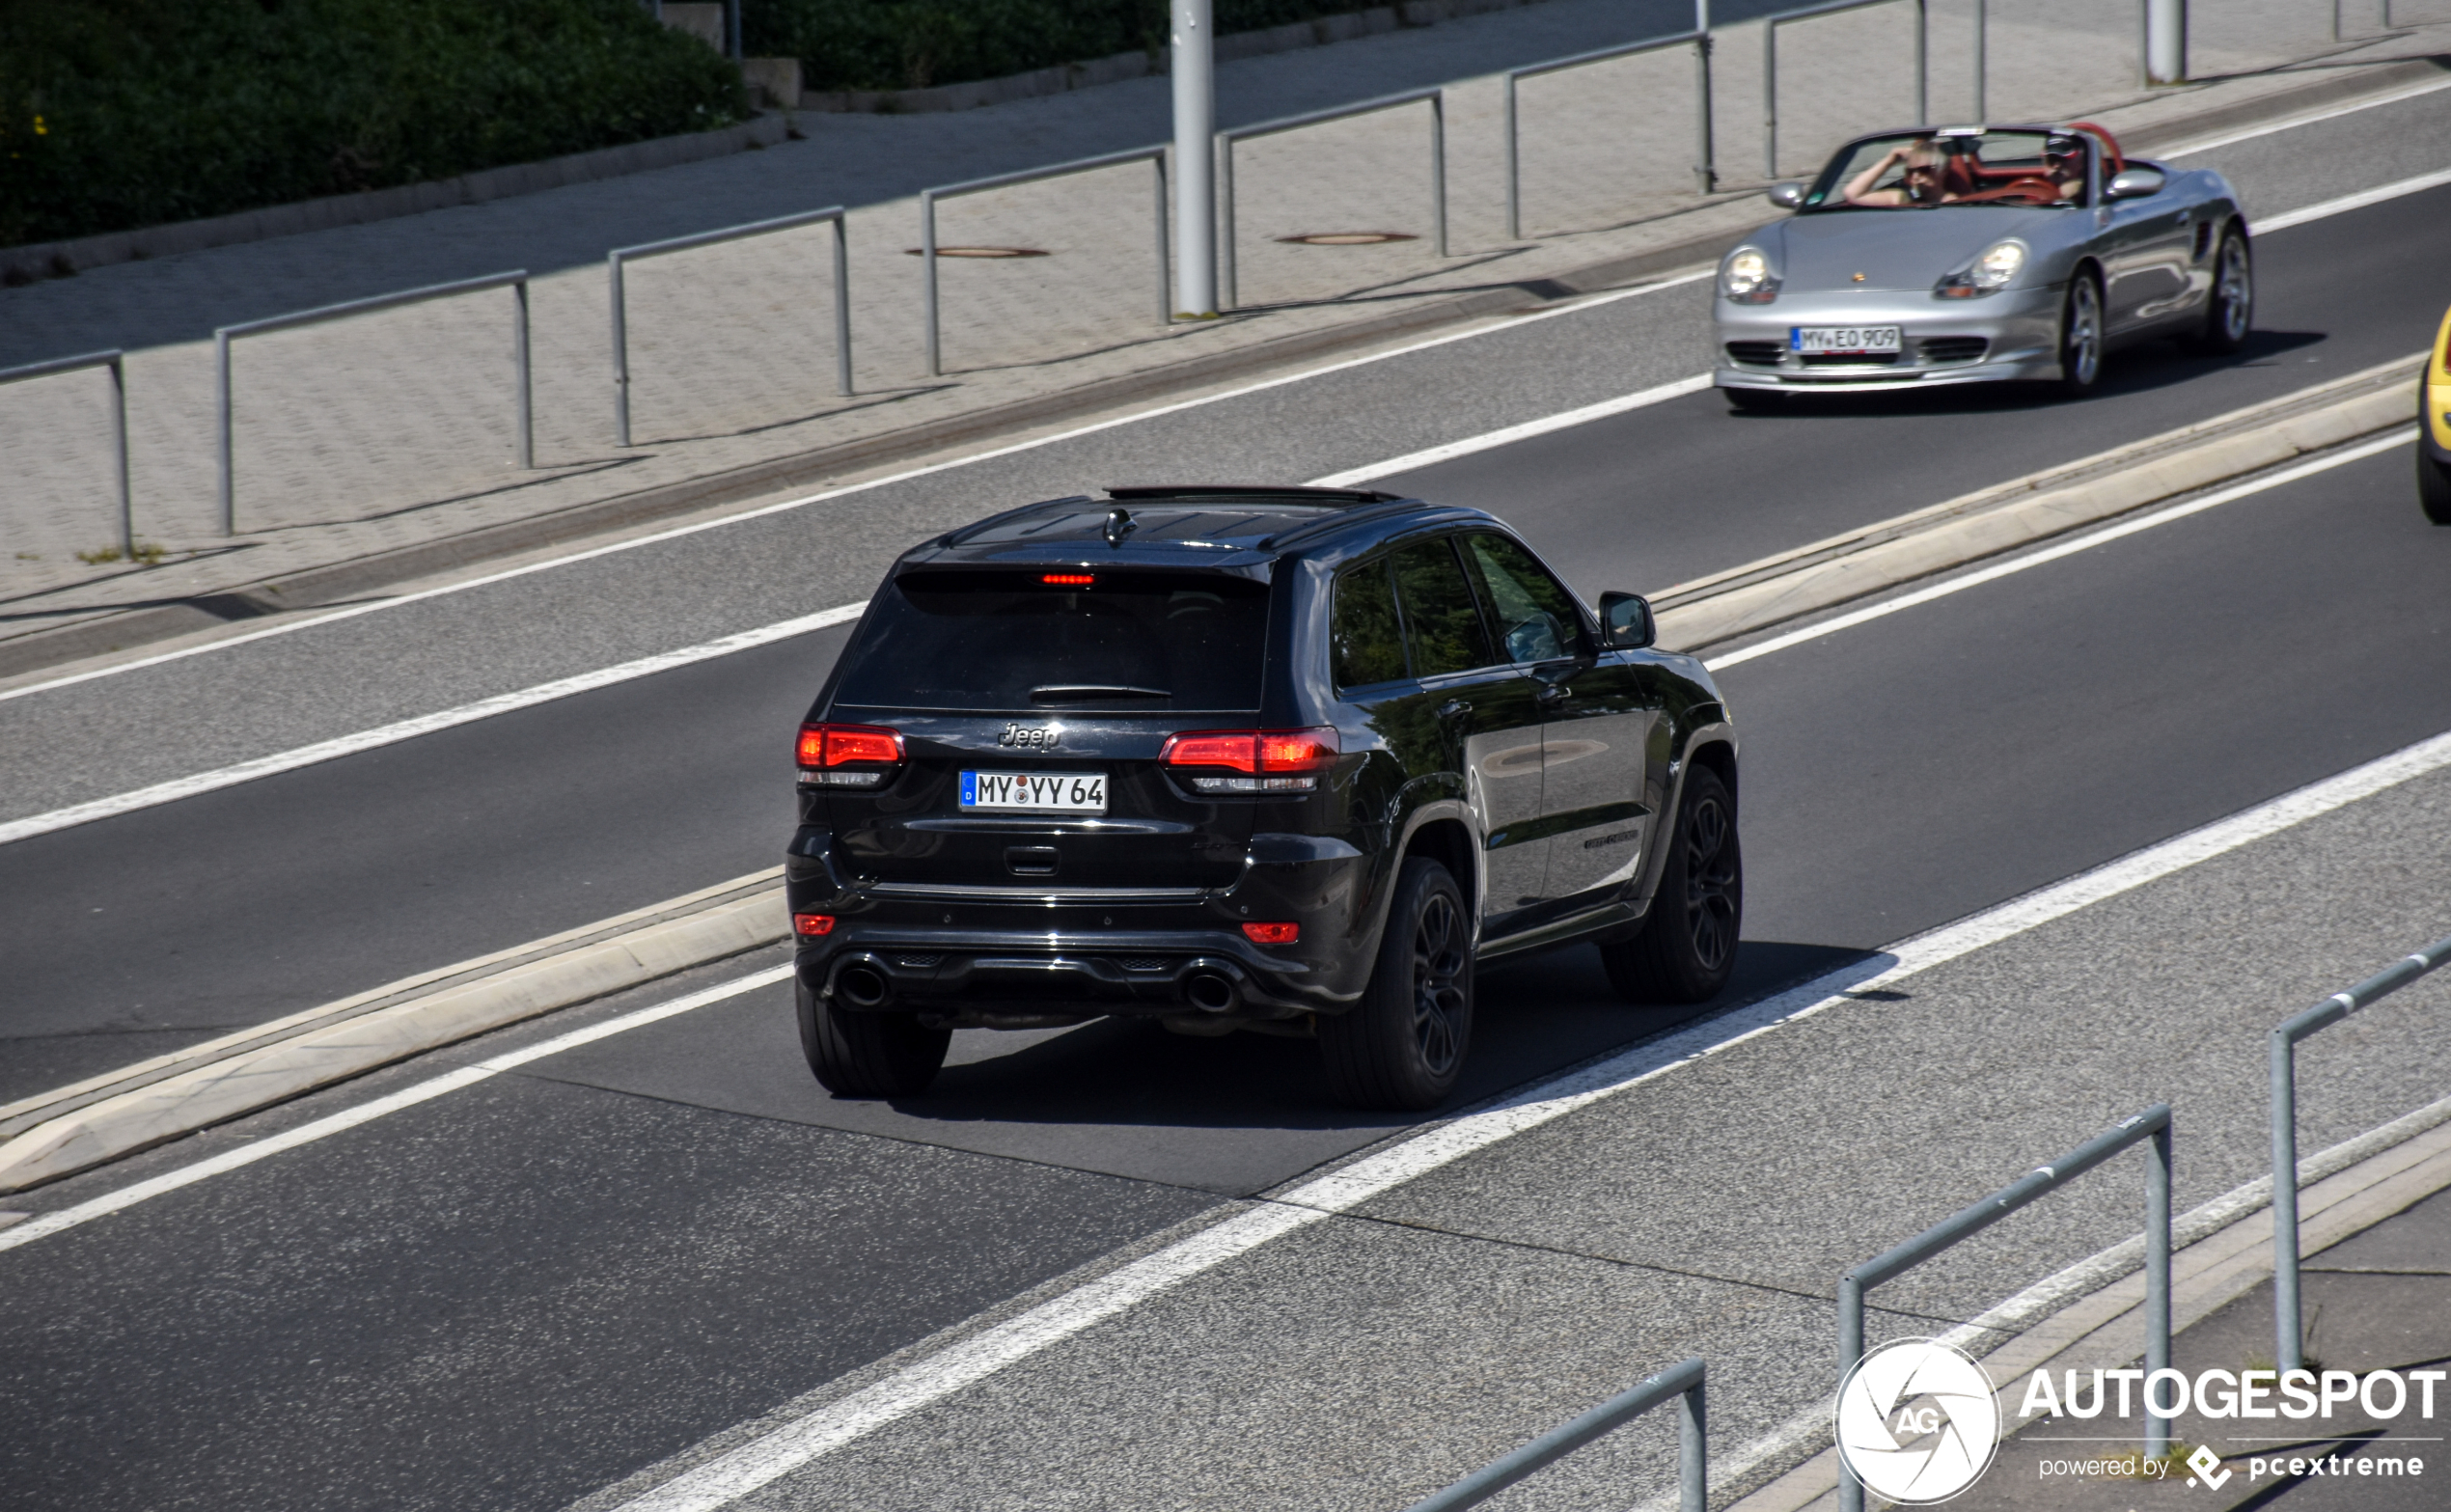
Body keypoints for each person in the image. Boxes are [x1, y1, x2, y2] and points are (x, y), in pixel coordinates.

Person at [1843, 139, 1957, 206]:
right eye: (1910, 171)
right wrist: (1889, 161)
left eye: (1924, 170)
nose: (1915, 176)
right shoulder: (1902, 198)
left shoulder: (1956, 204)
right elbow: (1853, 194)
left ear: (1943, 170)